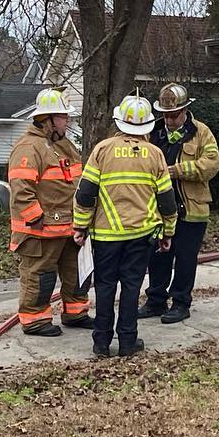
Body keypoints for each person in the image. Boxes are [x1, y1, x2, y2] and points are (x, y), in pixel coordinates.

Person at [72, 95, 177, 358]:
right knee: (131, 288)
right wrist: (168, 231)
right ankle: (128, 342)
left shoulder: (102, 150)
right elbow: (166, 199)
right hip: (141, 236)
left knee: (106, 286)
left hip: (106, 236)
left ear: (119, 121)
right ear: (148, 127)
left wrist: (80, 227)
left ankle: (101, 343)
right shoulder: (155, 154)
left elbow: (85, 194)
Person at [6, 87, 92, 337]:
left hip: (69, 228)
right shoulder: (29, 148)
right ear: (49, 120)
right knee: (40, 277)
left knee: (77, 274)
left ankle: (76, 313)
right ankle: (35, 321)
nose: (68, 122)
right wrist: (36, 218)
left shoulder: (63, 146)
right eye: (64, 117)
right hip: (40, 231)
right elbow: (21, 189)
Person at [140, 83, 219, 324]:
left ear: (185, 110)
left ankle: (180, 303)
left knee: (185, 259)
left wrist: (179, 171)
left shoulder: (201, 132)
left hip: (191, 209)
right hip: (158, 210)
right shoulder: (153, 132)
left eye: (174, 115)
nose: (170, 119)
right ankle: (155, 301)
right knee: (157, 258)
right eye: (165, 115)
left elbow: (212, 164)